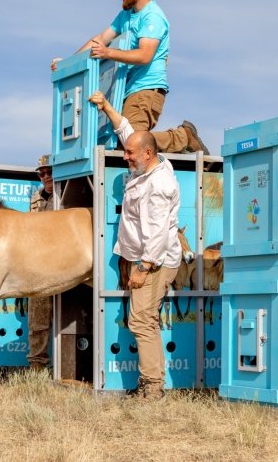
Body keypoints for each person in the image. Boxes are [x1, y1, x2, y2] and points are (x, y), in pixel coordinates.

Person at [53, 0, 209, 155]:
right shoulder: (125, 16)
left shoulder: (153, 17)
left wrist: (107, 53)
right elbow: (100, 39)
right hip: (126, 90)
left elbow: (145, 55)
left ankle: (183, 137)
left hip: (146, 89)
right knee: (120, 141)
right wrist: (67, 64)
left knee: (132, 140)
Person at [89, 91, 182, 400]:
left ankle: (152, 388)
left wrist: (143, 269)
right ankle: (150, 384)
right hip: (140, 257)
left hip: (154, 261)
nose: (124, 157)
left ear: (147, 154)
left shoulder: (158, 185)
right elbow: (126, 129)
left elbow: (156, 236)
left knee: (142, 320)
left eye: (129, 154)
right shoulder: (146, 162)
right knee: (141, 319)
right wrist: (105, 106)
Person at [26, 155, 55, 372]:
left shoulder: (67, 195)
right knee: (38, 319)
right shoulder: (36, 199)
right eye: (41, 173)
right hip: (40, 266)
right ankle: (37, 366)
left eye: (49, 172)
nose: (46, 177)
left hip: (63, 264)